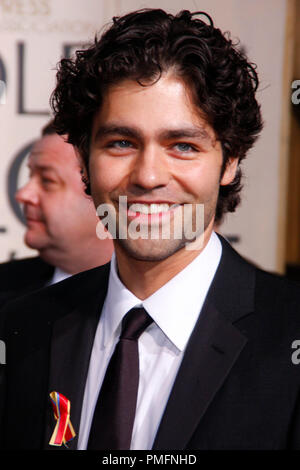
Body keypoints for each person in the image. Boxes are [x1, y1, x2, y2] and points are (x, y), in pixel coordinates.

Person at [1, 8, 300, 450]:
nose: (148, 175)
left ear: (230, 160)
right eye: (121, 142)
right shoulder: (18, 330)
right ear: (84, 158)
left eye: (182, 146)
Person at [0, 121, 114, 307]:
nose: (23, 194)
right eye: (30, 176)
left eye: (47, 180)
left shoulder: (160, 300)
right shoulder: (6, 286)